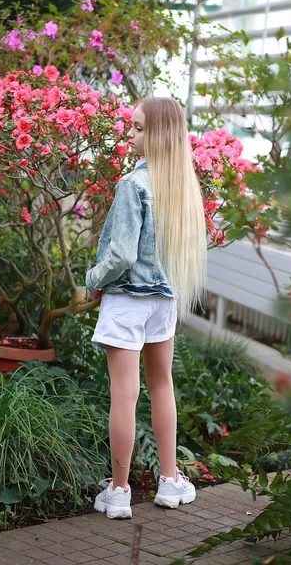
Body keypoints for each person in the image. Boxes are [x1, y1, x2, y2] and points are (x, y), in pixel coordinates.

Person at [85, 97, 208, 519]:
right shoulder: (181, 185)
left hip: (127, 302)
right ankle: (170, 480)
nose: (130, 134)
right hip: (164, 302)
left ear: (156, 133)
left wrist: (90, 280)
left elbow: (120, 256)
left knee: (124, 393)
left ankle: (119, 491)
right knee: (161, 386)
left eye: (137, 128)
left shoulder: (133, 185)